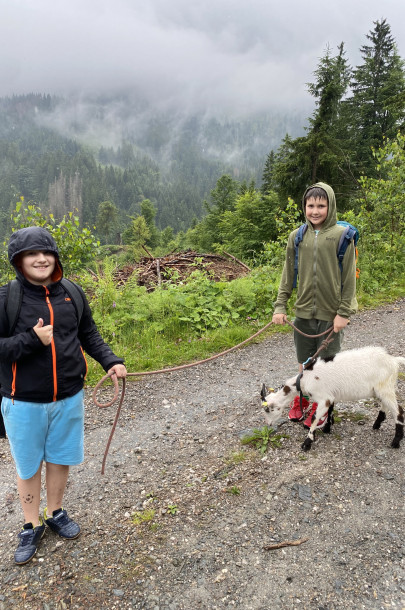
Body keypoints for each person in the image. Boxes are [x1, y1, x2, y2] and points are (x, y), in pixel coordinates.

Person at [0, 226, 127, 565]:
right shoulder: (7, 298)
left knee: (59, 458)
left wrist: (110, 361)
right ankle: (31, 524)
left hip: (69, 397)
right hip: (23, 401)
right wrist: (30, 340)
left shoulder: (71, 292)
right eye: (31, 254)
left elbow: (88, 333)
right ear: (18, 260)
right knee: (28, 467)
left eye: (46, 253)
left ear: (55, 257)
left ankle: (55, 512)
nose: (40, 259)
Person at [272, 182, 358, 428]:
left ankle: (324, 409)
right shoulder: (297, 237)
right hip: (303, 312)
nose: (315, 211)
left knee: (328, 365)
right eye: (311, 205)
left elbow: (348, 277)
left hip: (331, 315)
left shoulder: (343, 236)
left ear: (330, 206)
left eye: (321, 205)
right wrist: (280, 306)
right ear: (304, 207)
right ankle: (305, 398)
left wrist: (343, 313)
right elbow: (288, 274)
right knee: (305, 361)